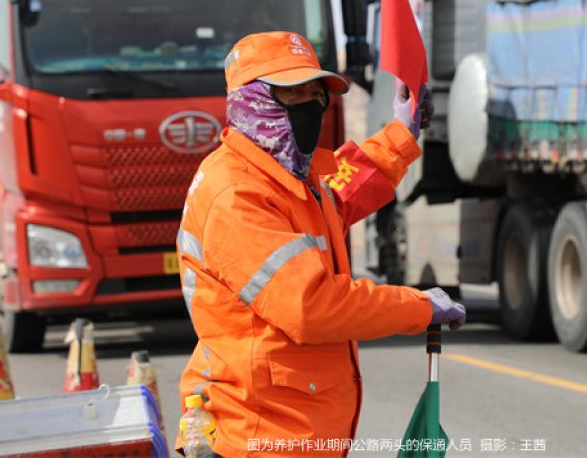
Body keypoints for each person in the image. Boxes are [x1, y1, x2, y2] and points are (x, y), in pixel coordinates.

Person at [175, 31, 465, 458]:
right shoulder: (236, 194)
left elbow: (343, 190)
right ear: (249, 100)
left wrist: (402, 134)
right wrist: (416, 306)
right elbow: (310, 306)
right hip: (255, 439)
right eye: (292, 94)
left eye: (316, 94)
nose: (309, 107)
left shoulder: (291, 176)